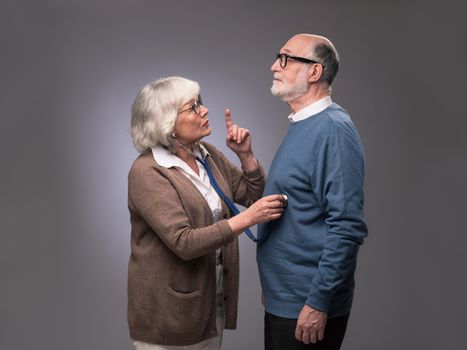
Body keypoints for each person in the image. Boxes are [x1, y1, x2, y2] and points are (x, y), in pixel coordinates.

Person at [127, 76, 285, 350]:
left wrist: (246, 157)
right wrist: (248, 218)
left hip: (211, 302)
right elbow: (184, 243)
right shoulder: (147, 172)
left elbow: (254, 196)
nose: (205, 110)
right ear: (167, 123)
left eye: (201, 103)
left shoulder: (206, 154)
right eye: (193, 107)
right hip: (168, 316)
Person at [257, 34, 368, 350]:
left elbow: (346, 228)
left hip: (306, 306)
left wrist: (318, 302)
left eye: (285, 58)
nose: (273, 66)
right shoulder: (304, 125)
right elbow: (296, 209)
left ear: (315, 72)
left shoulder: (332, 130)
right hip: (286, 299)